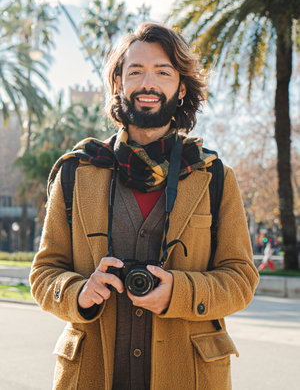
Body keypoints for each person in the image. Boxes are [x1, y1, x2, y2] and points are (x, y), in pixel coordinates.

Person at [30, 22, 259, 390]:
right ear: (118, 84)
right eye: (135, 71)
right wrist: (78, 292)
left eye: (163, 71)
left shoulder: (214, 177)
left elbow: (241, 279)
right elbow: (44, 274)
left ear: (181, 87)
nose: (147, 83)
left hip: (189, 375)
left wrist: (179, 292)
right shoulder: (75, 173)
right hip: (91, 373)